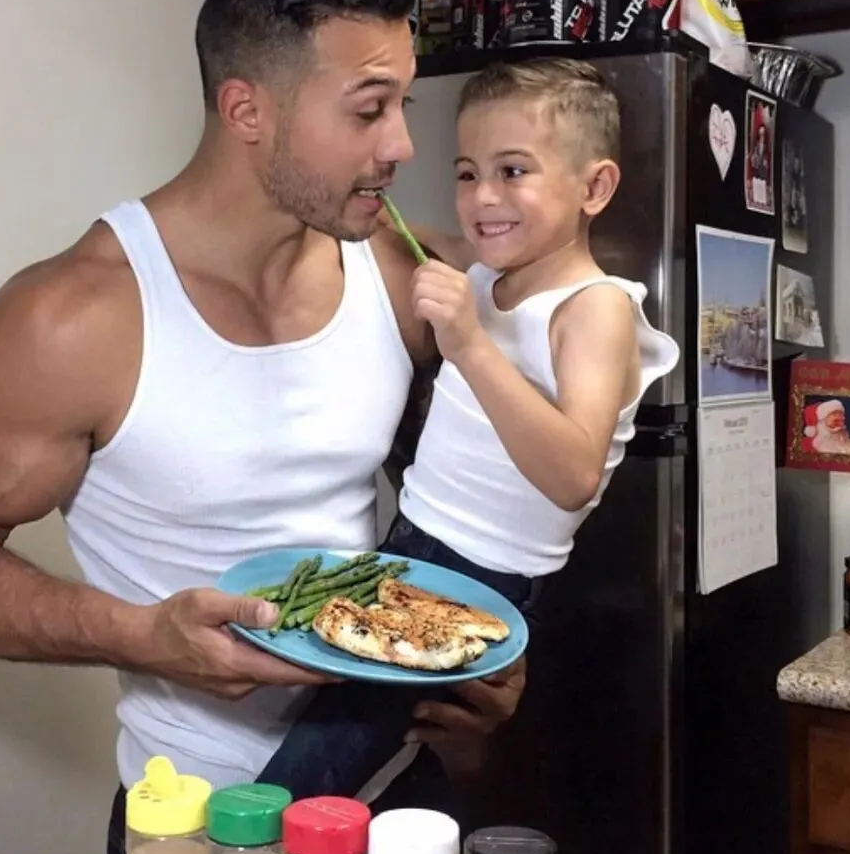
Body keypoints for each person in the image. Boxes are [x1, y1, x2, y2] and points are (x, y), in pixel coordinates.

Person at [0, 0, 525, 854]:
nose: (401, 146)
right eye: (368, 109)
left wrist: (489, 657)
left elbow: (482, 503)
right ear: (246, 110)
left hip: (398, 807)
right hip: (203, 832)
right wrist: (144, 634)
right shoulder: (75, 319)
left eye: (404, 106)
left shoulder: (401, 274)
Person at [257, 58, 680, 801]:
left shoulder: (595, 308)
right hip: (410, 545)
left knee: (319, 770)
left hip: (487, 580)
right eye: (466, 172)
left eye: (513, 171)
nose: (483, 197)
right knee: (334, 733)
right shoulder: (485, 274)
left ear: (595, 188)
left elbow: (574, 474)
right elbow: (388, 230)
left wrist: (470, 345)